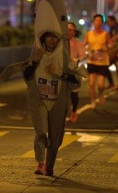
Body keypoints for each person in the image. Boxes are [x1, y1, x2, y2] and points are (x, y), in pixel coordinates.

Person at [23, 31, 82, 176]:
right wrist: (36, 60)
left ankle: (50, 165)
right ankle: (40, 163)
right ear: (43, 38)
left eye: (55, 36)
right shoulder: (37, 54)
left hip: (58, 101)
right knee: (41, 131)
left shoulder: (64, 57)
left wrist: (59, 74)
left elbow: (76, 82)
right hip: (40, 100)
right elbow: (26, 75)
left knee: (56, 136)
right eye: (49, 36)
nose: (51, 39)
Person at [82, 14, 113, 107]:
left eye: (100, 21)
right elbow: (83, 45)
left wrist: (106, 48)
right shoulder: (88, 34)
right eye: (96, 20)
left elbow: (111, 44)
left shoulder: (105, 34)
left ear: (102, 23)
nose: (98, 22)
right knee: (91, 84)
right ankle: (93, 101)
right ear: (93, 22)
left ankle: (100, 94)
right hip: (91, 61)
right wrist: (87, 52)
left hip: (102, 62)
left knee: (101, 85)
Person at [67, 22, 87, 123]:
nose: (68, 32)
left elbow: (83, 56)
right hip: (60, 71)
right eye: (67, 29)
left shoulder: (77, 43)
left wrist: (77, 59)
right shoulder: (58, 42)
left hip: (73, 71)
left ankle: (74, 110)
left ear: (74, 32)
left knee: (74, 94)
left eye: (70, 30)